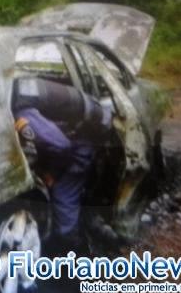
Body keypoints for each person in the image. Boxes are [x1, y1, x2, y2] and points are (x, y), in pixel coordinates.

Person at [11, 77, 112, 251]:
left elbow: (61, 146)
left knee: (63, 201)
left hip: (80, 145)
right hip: (78, 128)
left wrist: (51, 175)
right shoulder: (16, 87)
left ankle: (72, 255)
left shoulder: (22, 112)